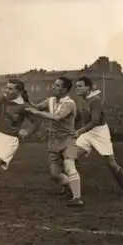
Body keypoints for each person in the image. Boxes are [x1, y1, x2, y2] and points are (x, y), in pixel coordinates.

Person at [25, 77, 83, 206]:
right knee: (55, 174)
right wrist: (25, 99)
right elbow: (36, 107)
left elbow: (57, 117)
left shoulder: (69, 103)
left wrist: (36, 112)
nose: (53, 87)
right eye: (54, 85)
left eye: (57, 86)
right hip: (53, 140)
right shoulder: (50, 101)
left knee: (69, 165)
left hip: (67, 139)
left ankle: (77, 198)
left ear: (64, 89)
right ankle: (71, 186)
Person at [71, 77, 123, 199]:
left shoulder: (95, 100)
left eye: (80, 86)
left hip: (100, 132)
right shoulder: (81, 100)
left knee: (110, 163)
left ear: (88, 88)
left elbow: (95, 121)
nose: (77, 88)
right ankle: (73, 186)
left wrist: (79, 131)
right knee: (71, 157)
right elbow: (79, 118)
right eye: (76, 86)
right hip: (87, 132)